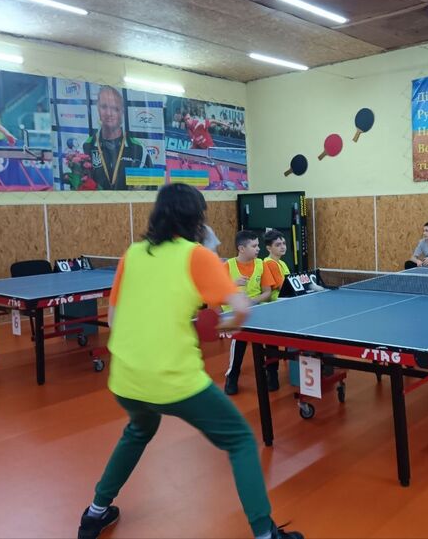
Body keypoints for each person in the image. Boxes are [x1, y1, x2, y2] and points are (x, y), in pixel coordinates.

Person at [77, 183, 303, 539]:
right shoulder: (197, 256)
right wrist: (218, 327)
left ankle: (95, 513)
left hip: (126, 379)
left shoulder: (132, 254)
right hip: (175, 380)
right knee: (240, 440)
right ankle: (265, 533)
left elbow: (114, 320)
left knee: (138, 429)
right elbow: (241, 309)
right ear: (196, 217)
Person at [224, 230, 276, 395]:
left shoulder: (261, 264)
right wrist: (233, 284)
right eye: (254, 246)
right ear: (241, 248)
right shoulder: (227, 266)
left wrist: (252, 301)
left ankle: (272, 374)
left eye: (258, 245)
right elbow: (217, 294)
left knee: (272, 336)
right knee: (239, 339)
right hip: (235, 313)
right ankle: (232, 376)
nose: (258, 249)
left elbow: (267, 292)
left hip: (257, 309)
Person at [82, 86, 151, 190]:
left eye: (115, 108)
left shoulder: (138, 149)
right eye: (104, 107)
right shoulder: (86, 147)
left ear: (122, 111)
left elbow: (150, 189)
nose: (109, 113)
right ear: (98, 108)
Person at [261, 229, 290, 391]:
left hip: (286, 305)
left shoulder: (282, 263)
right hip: (275, 308)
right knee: (271, 343)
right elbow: (282, 286)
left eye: (283, 243)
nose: (282, 247)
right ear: (268, 248)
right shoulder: (269, 263)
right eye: (278, 244)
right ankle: (272, 375)